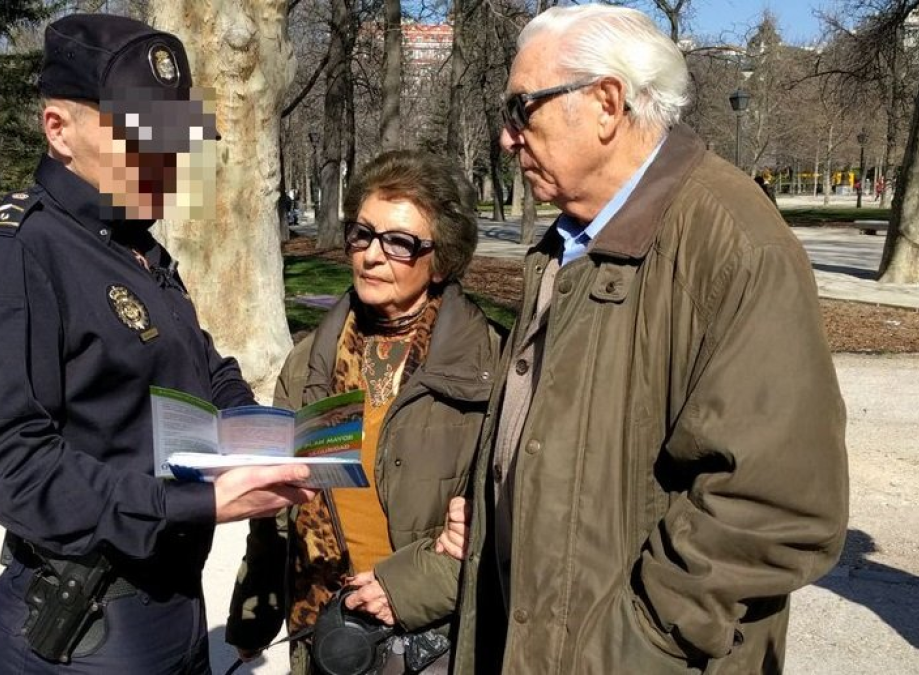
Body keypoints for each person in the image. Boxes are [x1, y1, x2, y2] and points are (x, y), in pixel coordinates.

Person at [442, 5, 848, 674]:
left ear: (605, 103)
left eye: (522, 110)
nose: (507, 138)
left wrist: (636, 644)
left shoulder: (732, 242)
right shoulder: (570, 242)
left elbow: (777, 504)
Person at [0, 14, 316, 675]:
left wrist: (272, 440)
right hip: (86, 624)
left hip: (169, 607)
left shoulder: (136, 244)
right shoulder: (19, 255)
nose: (164, 157)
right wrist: (196, 502)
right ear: (59, 129)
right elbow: (15, 468)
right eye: (139, 134)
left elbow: (205, 368)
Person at [225, 150, 503, 674]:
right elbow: (275, 512)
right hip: (324, 635)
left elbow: (505, 520)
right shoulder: (310, 360)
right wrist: (252, 617)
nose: (371, 256)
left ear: (441, 257)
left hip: (430, 642)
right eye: (362, 234)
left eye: (398, 242)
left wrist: (422, 582)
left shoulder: (490, 365)